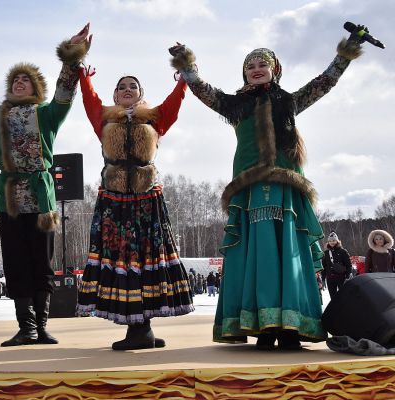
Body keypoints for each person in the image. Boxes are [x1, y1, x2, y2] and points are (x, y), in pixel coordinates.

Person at [169, 24, 366, 350]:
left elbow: (325, 82)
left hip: (285, 184)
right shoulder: (234, 105)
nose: (256, 69)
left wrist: (347, 52)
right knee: (255, 253)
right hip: (248, 188)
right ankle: (262, 326)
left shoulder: (289, 101)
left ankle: (290, 326)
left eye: (262, 64)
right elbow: (202, 89)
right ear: (244, 73)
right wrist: (187, 64)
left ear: (275, 70)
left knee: (287, 251)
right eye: (250, 65)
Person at [0, 24, 91, 347]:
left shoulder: (47, 113)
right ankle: (25, 326)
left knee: (42, 264)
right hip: (10, 198)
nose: (18, 82)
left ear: (34, 87)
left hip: (42, 198)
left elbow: (65, 91)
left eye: (24, 79)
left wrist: (73, 56)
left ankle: (42, 326)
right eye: (14, 80)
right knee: (16, 263)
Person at [75, 36, 194, 351]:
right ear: (114, 95)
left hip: (145, 203)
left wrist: (183, 79)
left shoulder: (155, 119)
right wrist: (83, 78)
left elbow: (175, 103)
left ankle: (142, 330)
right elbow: (88, 101)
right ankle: (140, 329)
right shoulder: (104, 120)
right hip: (115, 203)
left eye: (133, 86)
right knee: (124, 262)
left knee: (143, 260)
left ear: (141, 94)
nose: (127, 90)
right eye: (122, 87)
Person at [322, 231, 352, 300]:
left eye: (334, 240)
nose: (332, 242)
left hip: (342, 278)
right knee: (333, 298)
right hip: (330, 278)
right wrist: (323, 279)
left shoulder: (343, 251)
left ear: (337, 241)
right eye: (330, 241)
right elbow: (324, 267)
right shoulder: (325, 253)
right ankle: (335, 310)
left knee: (344, 296)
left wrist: (347, 277)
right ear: (328, 242)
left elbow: (348, 265)